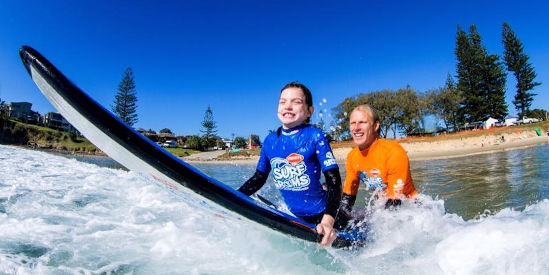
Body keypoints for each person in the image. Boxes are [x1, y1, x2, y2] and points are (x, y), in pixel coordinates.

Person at [237, 82, 342, 247]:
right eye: (282, 101)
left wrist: (328, 220)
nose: (288, 106)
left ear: (309, 111)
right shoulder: (270, 141)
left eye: (296, 102)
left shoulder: (315, 136)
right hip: (295, 216)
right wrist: (235, 197)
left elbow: (334, 180)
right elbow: (258, 178)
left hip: (323, 215)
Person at [340, 104, 418, 217]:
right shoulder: (352, 157)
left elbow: (394, 202)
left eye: (362, 122)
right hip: (382, 209)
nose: (356, 128)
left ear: (375, 126)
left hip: (412, 209)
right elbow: (348, 198)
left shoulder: (393, 152)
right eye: (353, 123)